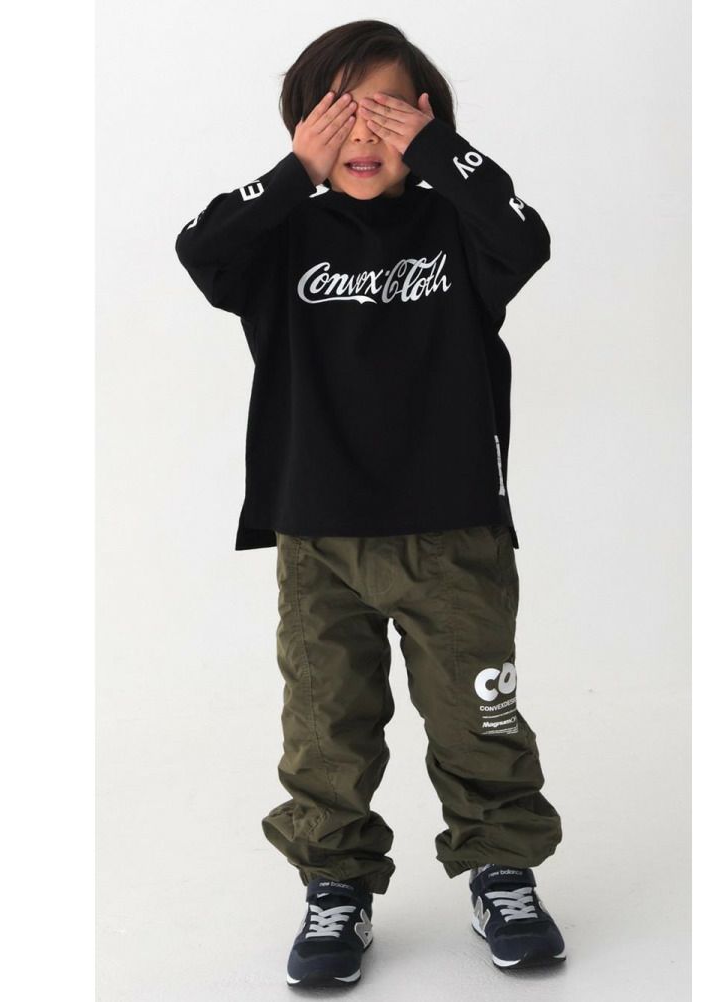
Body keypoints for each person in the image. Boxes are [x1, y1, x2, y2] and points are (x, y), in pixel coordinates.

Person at [174, 19, 565, 987]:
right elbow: (201, 246)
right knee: (326, 728)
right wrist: (291, 173)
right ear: (303, 129)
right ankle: (335, 884)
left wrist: (438, 152)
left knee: (480, 719)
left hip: (455, 530)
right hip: (319, 534)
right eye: (337, 114)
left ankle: (501, 868)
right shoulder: (282, 237)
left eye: (385, 111)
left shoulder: (458, 228)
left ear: (426, 119)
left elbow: (527, 237)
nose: (362, 135)